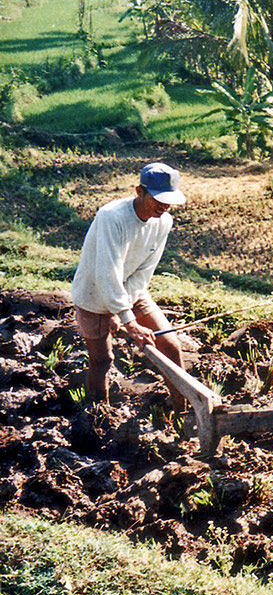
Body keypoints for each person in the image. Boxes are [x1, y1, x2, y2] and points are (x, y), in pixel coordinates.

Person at [71, 162, 188, 411]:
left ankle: (182, 408)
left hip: (132, 292)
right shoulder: (111, 217)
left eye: (169, 200)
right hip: (93, 293)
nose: (164, 206)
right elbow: (107, 272)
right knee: (102, 361)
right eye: (158, 199)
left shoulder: (164, 222)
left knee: (170, 345)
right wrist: (127, 320)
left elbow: (145, 270)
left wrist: (125, 312)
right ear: (140, 191)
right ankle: (96, 417)